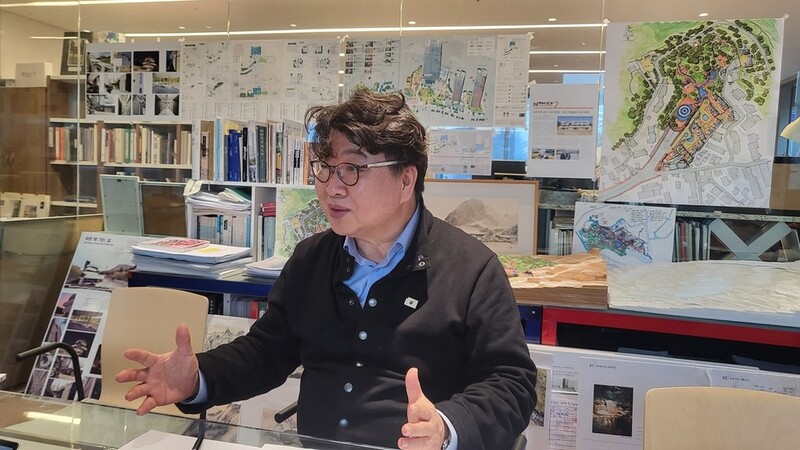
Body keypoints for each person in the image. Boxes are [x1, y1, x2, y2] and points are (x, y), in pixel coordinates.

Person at [116, 87, 537, 450]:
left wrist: (446, 427)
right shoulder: (312, 259)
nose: (332, 187)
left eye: (352, 169)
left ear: (406, 181)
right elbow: (266, 352)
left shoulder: (472, 269)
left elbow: (511, 384)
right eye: (325, 167)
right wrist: (198, 377)